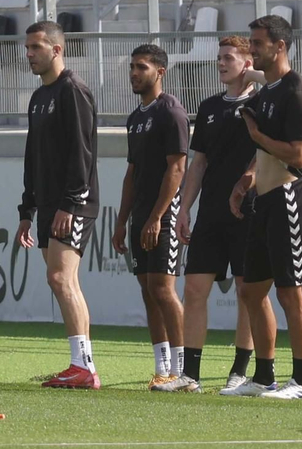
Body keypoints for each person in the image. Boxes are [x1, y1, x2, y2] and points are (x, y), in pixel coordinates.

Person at [220, 14, 302, 399]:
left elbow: (299, 154)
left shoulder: (297, 93)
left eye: (258, 43)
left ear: (280, 46)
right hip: (263, 201)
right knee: (251, 291)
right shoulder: (273, 89)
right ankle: (264, 377)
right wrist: (246, 178)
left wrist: (257, 136)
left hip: (290, 200)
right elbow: (263, 147)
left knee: (290, 293)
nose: (252, 50)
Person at [17, 19, 102, 390]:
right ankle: (81, 365)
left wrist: (70, 203)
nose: (30, 54)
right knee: (62, 281)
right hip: (50, 204)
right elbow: (32, 157)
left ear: (57, 49)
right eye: (27, 48)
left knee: (60, 277)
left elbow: (82, 155)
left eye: (36, 47)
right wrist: (26, 210)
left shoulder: (73, 91)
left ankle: (84, 367)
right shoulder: (39, 97)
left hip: (74, 204)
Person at [176, 35, 257, 391]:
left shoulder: (263, 103)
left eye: (229, 57)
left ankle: (240, 370)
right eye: (219, 57)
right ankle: (189, 374)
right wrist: (183, 208)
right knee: (194, 290)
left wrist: (257, 81)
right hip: (210, 212)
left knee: (246, 292)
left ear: (247, 62)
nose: (221, 63)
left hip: (248, 212)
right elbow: (198, 163)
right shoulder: (209, 107)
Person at [112, 44, 195, 391]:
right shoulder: (136, 117)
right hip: (142, 213)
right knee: (147, 288)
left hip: (164, 210)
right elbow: (132, 173)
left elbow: (177, 168)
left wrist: (158, 216)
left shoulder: (170, 112)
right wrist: (121, 220)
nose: (134, 72)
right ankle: (162, 365)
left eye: (141, 67)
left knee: (163, 287)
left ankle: (182, 369)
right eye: (131, 66)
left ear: (160, 71)